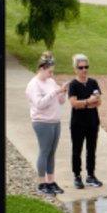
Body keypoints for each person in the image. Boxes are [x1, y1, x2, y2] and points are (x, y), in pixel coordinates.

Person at [26, 51, 68, 196]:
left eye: (53, 72)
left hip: (55, 121)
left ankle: (51, 181)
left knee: (52, 152)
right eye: (49, 72)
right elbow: (39, 104)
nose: (51, 75)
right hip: (42, 121)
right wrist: (54, 93)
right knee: (44, 151)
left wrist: (62, 93)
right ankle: (41, 182)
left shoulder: (51, 82)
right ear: (42, 69)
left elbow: (60, 101)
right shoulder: (34, 85)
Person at [67, 53, 103, 190]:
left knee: (91, 149)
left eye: (86, 67)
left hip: (92, 121)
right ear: (76, 69)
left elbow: (98, 102)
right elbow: (74, 103)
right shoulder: (73, 84)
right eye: (81, 67)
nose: (84, 70)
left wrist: (85, 104)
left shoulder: (93, 82)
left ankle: (91, 175)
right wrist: (88, 102)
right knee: (77, 149)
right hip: (78, 123)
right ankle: (77, 175)